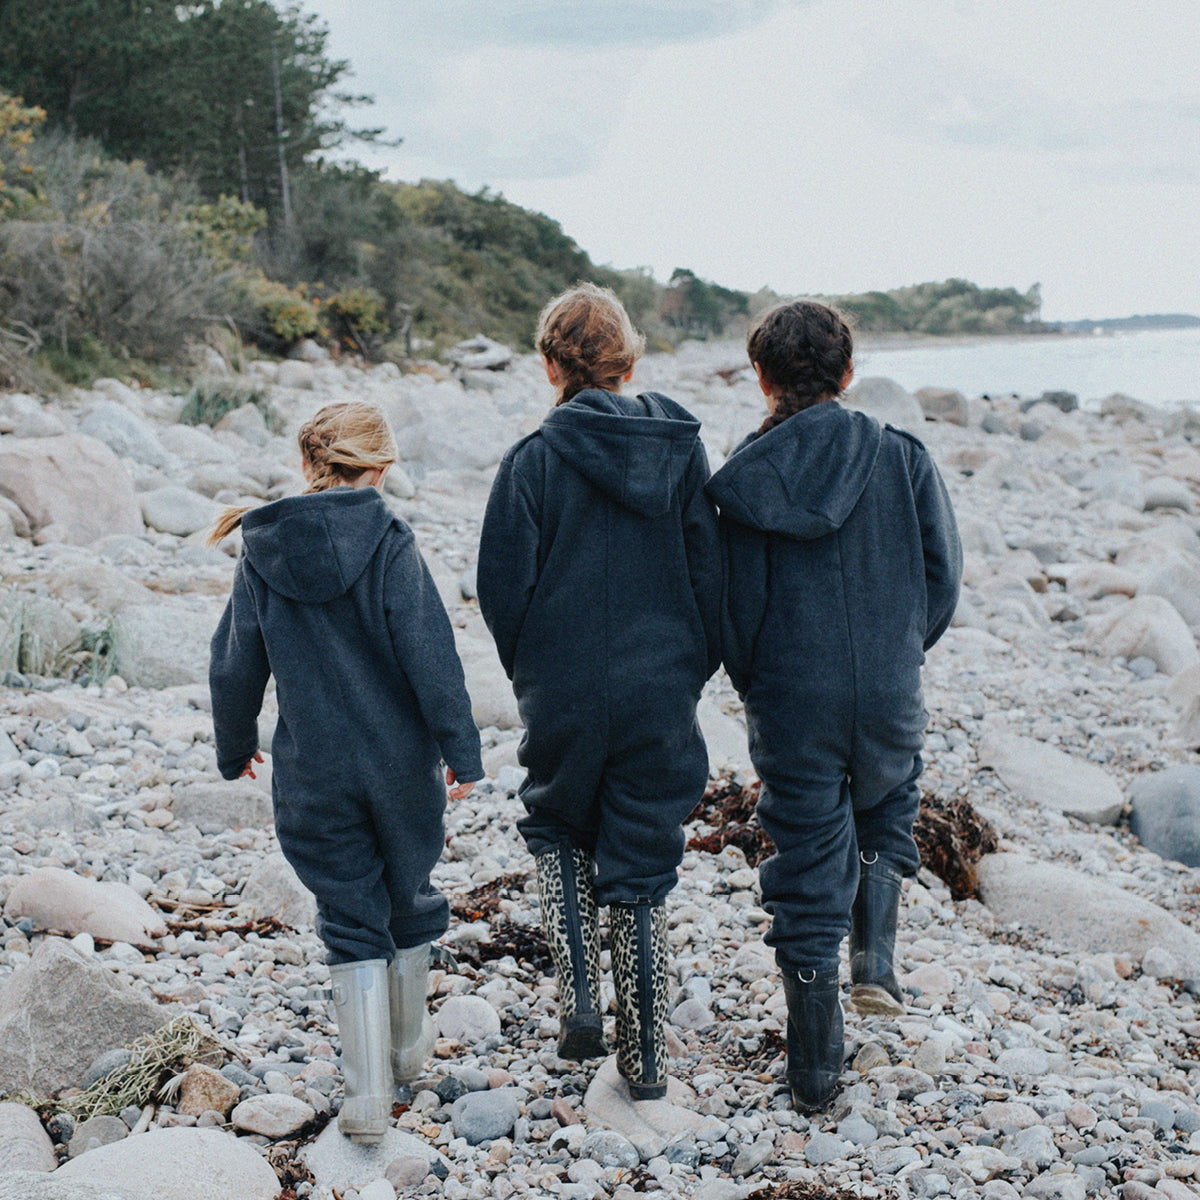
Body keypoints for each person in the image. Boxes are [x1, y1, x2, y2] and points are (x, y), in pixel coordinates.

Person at [705, 300, 961, 1114]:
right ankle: (876, 961)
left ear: (762, 378)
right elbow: (941, 575)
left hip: (791, 693)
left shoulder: (743, 481)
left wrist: (758, 681)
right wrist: (897, 648)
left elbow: (731, 606)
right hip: (886, 683)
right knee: (890, 798)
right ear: (848, 375)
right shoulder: (901, 456)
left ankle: (815, 1071)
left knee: (809, 857)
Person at [207, 401, 482, 1143]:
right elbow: (432, 656)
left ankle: (365, 1098)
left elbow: (237, 663)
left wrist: (234, 745)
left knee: (349, 913)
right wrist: (462, 750)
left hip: (313, 769)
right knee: (409, 894)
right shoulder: (391, 541)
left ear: (307, 464)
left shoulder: (261, 549)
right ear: (382, 467)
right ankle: (407, 1048)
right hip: (400, 766)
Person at [477, 282, 720, 1099]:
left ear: (551, 366)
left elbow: (501, 589)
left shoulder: (533, 462)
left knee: (555, 820)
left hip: (565, 679)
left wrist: (536, 667)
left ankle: (580, 997)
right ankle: (646, 1062)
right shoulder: (681, 451)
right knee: (643, 853)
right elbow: (708, 571)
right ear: (629, 359)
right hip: (662, 681)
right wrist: (692, 660)